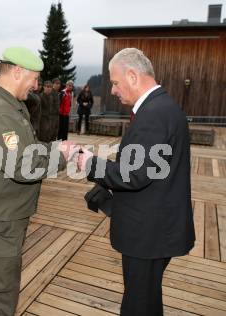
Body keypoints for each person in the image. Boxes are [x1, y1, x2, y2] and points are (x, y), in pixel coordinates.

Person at [78, 48, 195, 316]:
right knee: (146, 298)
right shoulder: (164, 107)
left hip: (148, 233)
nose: (114, 90)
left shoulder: (153, 114)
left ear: (132, 76)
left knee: (139, 304)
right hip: (156, 227)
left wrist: (87, 162)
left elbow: (134, 174)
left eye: (116, 83)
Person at [0, 46, 77, 316]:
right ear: (17, 72)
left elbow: (25, 148)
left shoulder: (10, 105)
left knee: (5, 279)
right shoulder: (0, 111)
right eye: (34, 78)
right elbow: (21, 166)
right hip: (0, 214)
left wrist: (55, 149)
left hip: (7, 210)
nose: (36, 85)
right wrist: (62, 159)